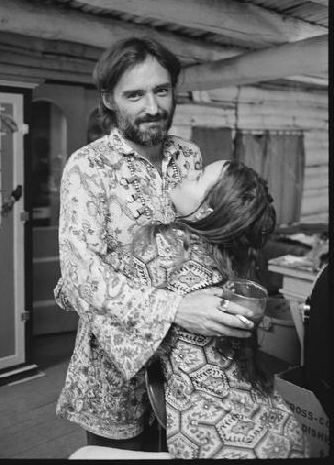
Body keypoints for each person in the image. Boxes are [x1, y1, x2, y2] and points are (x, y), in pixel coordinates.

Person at [54, 37, 255, 451]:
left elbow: (206, 237)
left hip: (194, 368)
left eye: (161, 90)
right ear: (108, 98)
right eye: (134, 94)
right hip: (115, 372)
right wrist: (177, 308)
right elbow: (80, 278)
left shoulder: (189, 155)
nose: (152, 107)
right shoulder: (88, 167)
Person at [130, 159, 310, 458]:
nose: (187, 171)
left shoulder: (162, 244)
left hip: (209, 425)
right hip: (272, 416)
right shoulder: (231, 251)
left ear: (207, 211)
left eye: (198, 176)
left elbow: (83, 294)